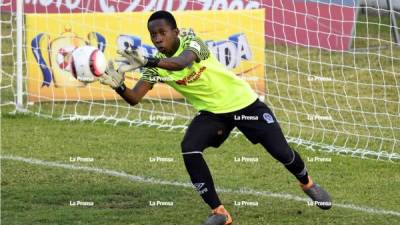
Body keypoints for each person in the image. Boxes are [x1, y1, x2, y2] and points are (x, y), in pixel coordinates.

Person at [100, 10, 332, 225]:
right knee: (189, 147)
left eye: (162, 32)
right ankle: (219, 212)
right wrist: (119, 86)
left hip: (245, 105)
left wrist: (149, 60)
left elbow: (182, 63)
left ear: (175, 32)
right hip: (213, 114)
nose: (158, 38)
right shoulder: (154, 67)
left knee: (281, 152)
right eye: (153, 35)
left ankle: (307, 182)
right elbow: (135, 97)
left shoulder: (191, 42)